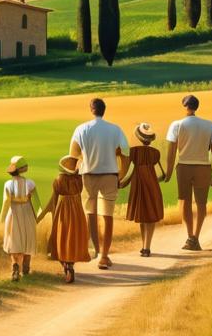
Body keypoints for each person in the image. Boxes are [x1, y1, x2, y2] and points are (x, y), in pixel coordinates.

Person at [70, 97, 129, 269]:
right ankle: (104, 255)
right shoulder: (115, 129)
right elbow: (126, 152)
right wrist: (122, 174)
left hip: (88, 175)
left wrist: (77, 168)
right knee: (108, 216)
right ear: (104, 110)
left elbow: (73, 155)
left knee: (91, 214)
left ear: (91, 110)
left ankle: (94, 250)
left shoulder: (81, 129)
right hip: (110, 174)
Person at [163, 94, 212, 251]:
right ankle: (196, 236)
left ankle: (190, 237)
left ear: (184, 107)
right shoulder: (210, 125)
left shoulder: (176, 125)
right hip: (203, 166)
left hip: (184, 166)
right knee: (202, 203)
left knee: (185, 202)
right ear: (197, 107)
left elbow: (171, 151)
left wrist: (168, 173)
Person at [37, 154, 90, 283]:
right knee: (73, 237)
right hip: (77, 212)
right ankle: (70, 264)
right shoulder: (79, 180)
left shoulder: (58, 181)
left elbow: (55, 201)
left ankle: (65, 265)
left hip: (63, 211)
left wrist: (54, 216)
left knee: (62, 237)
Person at [118, 122, 166, 256]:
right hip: (152, 184)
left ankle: (144, 246)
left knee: (142, 215)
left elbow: (129, 169)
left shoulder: (134, 152)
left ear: (139, 137)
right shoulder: (155, 153)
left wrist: (122, 181)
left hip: (138, 184)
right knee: (150, 216)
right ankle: (146, 246)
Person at [0, 154, 40, 282]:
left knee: (13, 240)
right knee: (28, 239)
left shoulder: (7, 184)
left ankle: (15, 265)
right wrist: (38, 216)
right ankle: (26, 268)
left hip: (13, 214)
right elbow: (36, 202)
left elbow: (6, 201)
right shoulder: (30, 183)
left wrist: (1, 217)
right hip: (27, 213)